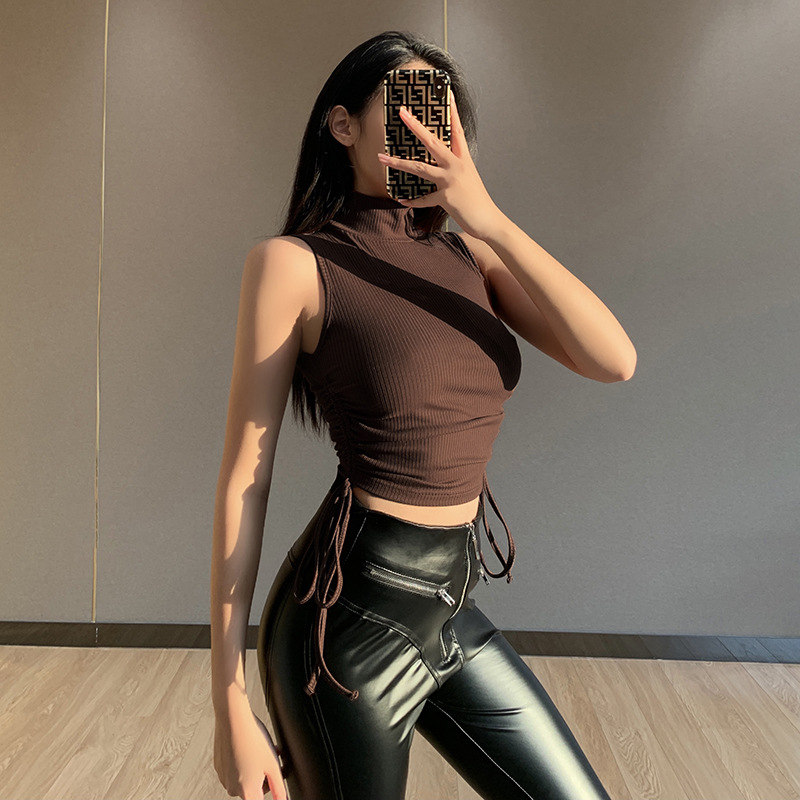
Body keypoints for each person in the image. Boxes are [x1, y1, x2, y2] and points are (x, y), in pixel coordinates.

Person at [211, 30, 636, 800]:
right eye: (408, 107)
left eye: (442, 114)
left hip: (451, 608)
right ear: (343, 124)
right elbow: (247, 477)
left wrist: (489, 217)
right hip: (346, 624)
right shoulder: (294, 264)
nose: (428, 130)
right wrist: (229, 702)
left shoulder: (473, 258)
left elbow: (614, 359)